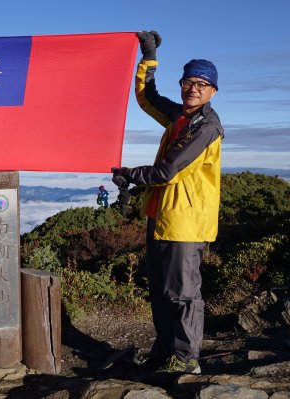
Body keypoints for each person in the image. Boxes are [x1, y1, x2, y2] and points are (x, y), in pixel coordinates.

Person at [112, 31, 223, 375]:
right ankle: (164, 353)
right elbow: (147, 98)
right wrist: (149, 57)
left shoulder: (206, 127)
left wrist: (130, 174)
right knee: (161, 292)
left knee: (182, 294)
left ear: (212, 92)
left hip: (185, 224)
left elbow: (168, 170)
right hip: (161, 217)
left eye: (201, 84)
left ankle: (186, 360)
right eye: (189, 82)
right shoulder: (180, 117)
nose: (193, 89)